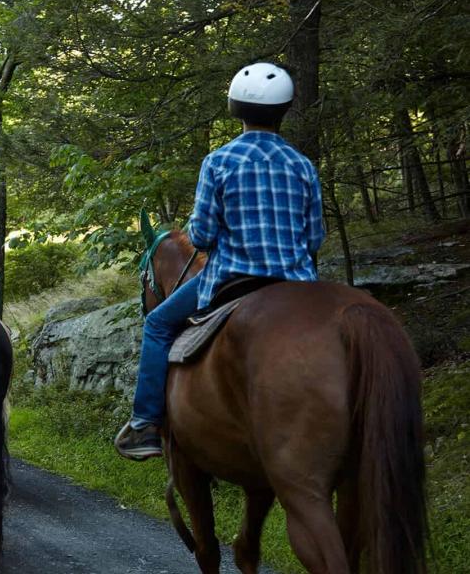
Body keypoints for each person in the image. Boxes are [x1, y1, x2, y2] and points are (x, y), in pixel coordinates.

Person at [114, 62, 326, 460]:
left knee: (158, 324)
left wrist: (198, 228)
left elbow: (203, 236)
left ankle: (144, 424)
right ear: (284, 110)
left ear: (235, 108)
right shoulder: (302, 165)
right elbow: (315, 237)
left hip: (231, 279)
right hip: (297, 285)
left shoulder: (219, 161)